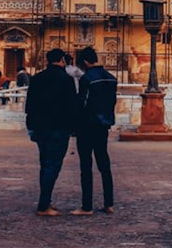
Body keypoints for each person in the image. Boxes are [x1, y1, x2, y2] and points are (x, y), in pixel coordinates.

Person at [25, 48, 79, 217]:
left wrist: (32, 127)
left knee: (45, 164)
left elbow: (29, 106)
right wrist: (73, 128)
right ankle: (43, 205)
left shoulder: (37, 78)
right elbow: (72, 106)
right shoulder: (66, 80)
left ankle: (46, 201)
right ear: (62, 60)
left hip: (41, 128)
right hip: (59, 128)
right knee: (53, 166)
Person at [71, 45, 117, 216]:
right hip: (103, 125)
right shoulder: (111, 78)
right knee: (104, 164)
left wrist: (75, 126)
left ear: (84, 62)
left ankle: (87, 206)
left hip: (87, 127)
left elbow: (82, 103)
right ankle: (109, 203)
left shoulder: (87, 79)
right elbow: (112, 102)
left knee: (86, 166)